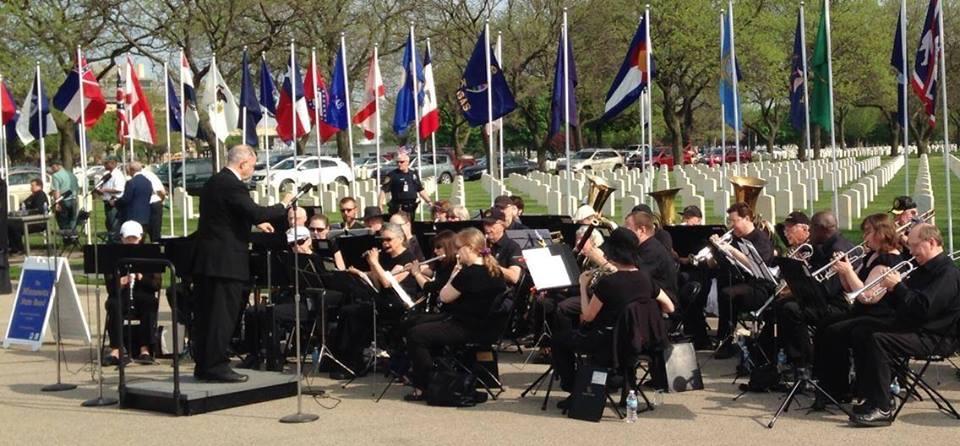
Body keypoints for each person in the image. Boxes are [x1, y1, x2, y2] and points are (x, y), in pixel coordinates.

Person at [191, 145, 291, 383]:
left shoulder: (214, 181)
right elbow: (256, 211)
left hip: (209, 258)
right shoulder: (232, 184)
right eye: (252, 165)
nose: (252, 169)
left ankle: (204, 363)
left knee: (208, 314)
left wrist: (255, 225)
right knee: (222, 315)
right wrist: (283, 205)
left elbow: (228, 216)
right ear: (243, 163)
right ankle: (216, 365)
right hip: (226, 261)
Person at [847, 224, 960, 427]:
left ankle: (883, 407)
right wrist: (888, 291)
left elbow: (923, 308)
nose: (911, 250)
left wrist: (898, 287)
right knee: (861, 330)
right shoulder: (922, 268)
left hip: (934, 336)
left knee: (879, 340)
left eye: (915, 245)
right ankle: (869, 395)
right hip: (914, 326)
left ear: (932, 242)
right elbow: (907, 303)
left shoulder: (947, 273)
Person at [552, 227, 674, 398]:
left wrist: (582, 285)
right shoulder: (645, 279)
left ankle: (573, 388)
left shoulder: (609, 283)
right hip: (639, 342)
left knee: (559, 340)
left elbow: (587, 316)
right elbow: (670, 307)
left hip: (608, 344)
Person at [403, 228, 507, 401]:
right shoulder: (496, 271)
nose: (457, 254)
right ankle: (440, 373)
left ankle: (425, 384)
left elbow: (444, 297)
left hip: (466, 328)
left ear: (470, 248)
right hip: (489, 329)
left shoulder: (467, 273)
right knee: (422, 326)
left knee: (416, 334)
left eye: (459, 249)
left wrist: (453, 275)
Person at [813, 214, 904, 407]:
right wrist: (842, 272)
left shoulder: (889, 260)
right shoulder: (871, 255)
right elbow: (850, 288)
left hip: (880, 314)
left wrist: (848, 271)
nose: (865, 236)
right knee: (825, 324)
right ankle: (829, 384)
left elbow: (866, 295)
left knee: (835, 331)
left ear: (882, 233)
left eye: (869, 232)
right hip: (862, 311)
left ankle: (838, 388)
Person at [336, 223, 420, 379]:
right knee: (348, 311)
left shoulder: (408, 257)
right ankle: (348, 360)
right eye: (382, 240)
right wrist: (363, 271)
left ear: (400, 239)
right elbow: (377, 283)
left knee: (358, 316)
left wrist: (374, 262)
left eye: (389, 239)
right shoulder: (385, 257)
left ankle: (356, 362)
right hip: (383, 301)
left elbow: (389, 282)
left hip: (400, 304)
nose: (385, 243)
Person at [714, 202, 776, 358]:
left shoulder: (760, 238)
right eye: (730, 222)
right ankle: (724, 338)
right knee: (723, 284)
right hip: (742, 283)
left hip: (761, 288)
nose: (732, 226)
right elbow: (718, 264)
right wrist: (717, 248)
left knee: (727, 294)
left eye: (734, 221)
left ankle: (726, 340)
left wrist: (732, 250)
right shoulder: (735, 238)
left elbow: (756, 264)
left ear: (747, 218)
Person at [103, 221, 161, 365]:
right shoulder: (113, 256)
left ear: (140, 238)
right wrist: (120, 281)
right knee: (114, 305)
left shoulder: (149, 254)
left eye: (134, 239)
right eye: (128, 239)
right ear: (122, 238)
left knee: (149, 303)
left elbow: (156, 285)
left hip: (143, 292)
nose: (131, 242)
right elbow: (110, 286)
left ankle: (145, 349)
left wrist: (142, 278)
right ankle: (116, 349)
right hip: (121, 293)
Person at [482, 207, 523, 285]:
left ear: (503, 224)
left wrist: (490, 265)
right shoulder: (481, 244)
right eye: (485, 224)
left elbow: (514, 277)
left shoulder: (513, 247)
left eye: (491, 224)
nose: (487, 228)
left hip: (501, 292)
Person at [9, 179, 48, 254]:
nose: (31, 187)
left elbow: (38, 210)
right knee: (9, 224)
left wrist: (27, 213)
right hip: (27, 220)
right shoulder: (32, 196)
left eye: (33, 185)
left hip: (37, 222)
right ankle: (13, 247)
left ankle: (19, 248)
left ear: (39, 186)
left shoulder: (40, 195)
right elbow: (23, 205)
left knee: (15, 227)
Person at [115, 162, 154, 234]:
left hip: (132, 216)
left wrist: (115, 202)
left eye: (127, 169)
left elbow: (126, 199)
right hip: (145, 216)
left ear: (131, 170)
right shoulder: (148, 182)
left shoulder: (131, 182)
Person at [97, 156, 126, 233]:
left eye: (106, 163)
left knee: (114, 225)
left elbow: (119, 189)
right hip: (107, 202)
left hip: (114, 203)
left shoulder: (117, 175)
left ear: (113, 164)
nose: (104, 165)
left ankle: (115, 241)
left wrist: (105, 190)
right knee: (109, 224)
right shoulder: (108, 174)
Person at [49, 159, 79, 230]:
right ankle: (73, 237)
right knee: (73, 220)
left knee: (63, 222)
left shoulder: (56, 176)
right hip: (74, 200)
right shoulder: (71, 174)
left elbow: (57, 191)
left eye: (53, 167)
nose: (51, 169)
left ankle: (67, 238)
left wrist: (57, 203)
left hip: (63, 201)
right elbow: (76, 187)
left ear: (58, 166)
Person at [140, 166, 168, 242]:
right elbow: (162, 192)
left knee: (143, 231)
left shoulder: (144, 176)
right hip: (155, 203)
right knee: (155, 231)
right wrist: (161, 201)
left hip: (150, 204)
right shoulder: (150, 175)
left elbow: (160, 191)